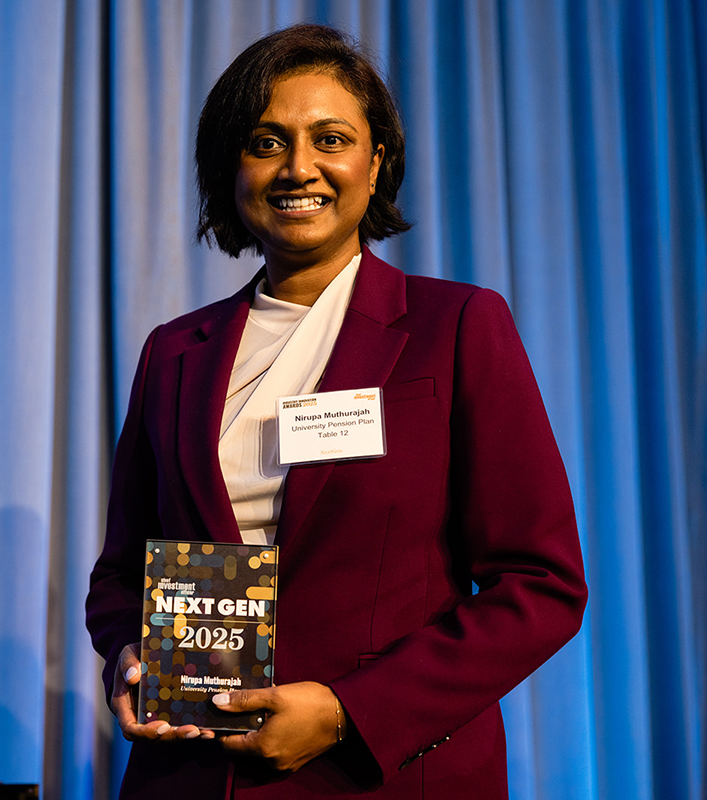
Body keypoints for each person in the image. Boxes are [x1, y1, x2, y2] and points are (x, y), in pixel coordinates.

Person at [86, 23, 587, 799]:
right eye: (266, 143)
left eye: (331, 139)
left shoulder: (456, 327)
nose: (299, 168)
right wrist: (129, 656)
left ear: (375, 161)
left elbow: (540, 584)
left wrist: (350, 713)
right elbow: (122, 575)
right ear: (231, 167)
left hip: (378, 773)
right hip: (193, 773)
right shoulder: (173, 351)